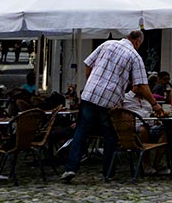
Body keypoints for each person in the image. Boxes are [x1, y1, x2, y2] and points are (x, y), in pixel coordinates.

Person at [61, 30, 163, 183]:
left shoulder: (107, 44)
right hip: (110, 100)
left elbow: (88, 64)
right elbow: (141, 84)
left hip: (90, 94)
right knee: (110, 135)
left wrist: (91, 81)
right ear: (137, 42)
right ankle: (108, 172)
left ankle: (70, 168)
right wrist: (155, 105)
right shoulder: (134, 56)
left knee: (81, 131)